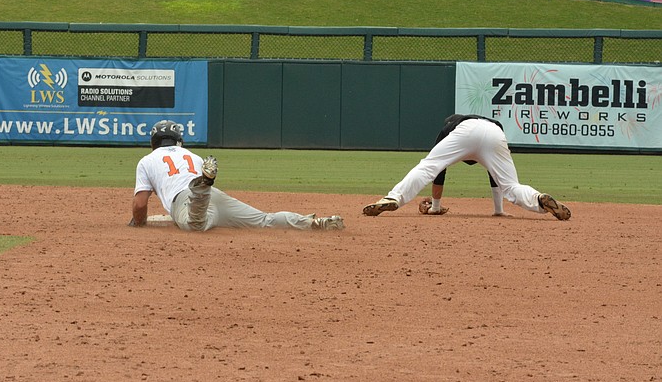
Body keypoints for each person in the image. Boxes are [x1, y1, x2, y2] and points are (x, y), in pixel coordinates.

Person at [130, 120, 345, 231]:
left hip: (186, 199)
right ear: (178, 140)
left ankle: (202, 187)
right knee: (265, 220)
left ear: (154, 141)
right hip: (216, 197)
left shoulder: (147, 161)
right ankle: (315, 223)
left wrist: (138, 223)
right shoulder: (192, 156)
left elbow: (140, 205)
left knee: (195, 226)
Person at [363, 114, 571, 221]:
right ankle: (539, 200)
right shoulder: (491, 122)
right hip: (494, 132)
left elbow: (438, 172)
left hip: (465, 131)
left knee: (428, 166)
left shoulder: (449, 127)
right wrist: (498, 211)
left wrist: (435, 207)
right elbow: (494, 175)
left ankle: (393, 198)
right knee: (510, 185)